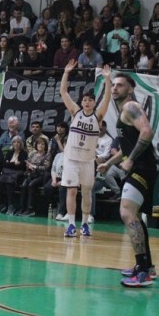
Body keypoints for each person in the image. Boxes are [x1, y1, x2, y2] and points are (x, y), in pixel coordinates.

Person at [97, 74, 158, 287]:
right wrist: (110, 162)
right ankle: (146, 266)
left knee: (127, 213)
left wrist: (130, 160)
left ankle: (143, 272)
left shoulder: (131, 106)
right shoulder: (124, 111)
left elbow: (147, 132)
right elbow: (128, 145)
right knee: (136, 218)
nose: (114, 88)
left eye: (120, 85)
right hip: (142, 167)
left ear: (130, 89)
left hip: (142, 167)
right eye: (113, 85)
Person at [59, 60, 112, 237]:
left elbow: (107, 98)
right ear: (81, 102)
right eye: (85, 100)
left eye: (90, 100)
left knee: (87, 191)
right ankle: (71, 225)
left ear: (94, 102)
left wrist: (107, 79)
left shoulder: (98, 115)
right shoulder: (75, 111)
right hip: (71, 158)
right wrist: (66, 72)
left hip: (88, 160)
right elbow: (63, 92)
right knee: (72, 190)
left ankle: (85, 224)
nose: (87, 102)